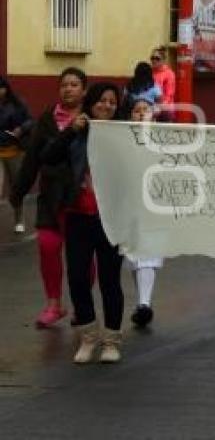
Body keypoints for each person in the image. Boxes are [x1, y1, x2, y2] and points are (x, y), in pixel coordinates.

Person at [41, 82, 124, 363]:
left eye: (112, 102)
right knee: (78, 278)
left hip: (112, 220)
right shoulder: (78, 132)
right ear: (91, 102)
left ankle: (111, 340)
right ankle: (88, 337)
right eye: (101, 101)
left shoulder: (124, 135)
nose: (106, 106)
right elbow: (48, 157)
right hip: (78, 218)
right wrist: (69, 133)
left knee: (110, 281)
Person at [12, 68, 87, 328]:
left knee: (83, 258)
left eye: (74, 84)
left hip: (81, 196)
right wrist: (19, 191)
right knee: (47, 246)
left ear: (84, 90)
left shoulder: (94, 118)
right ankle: (54, 304)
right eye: (64, 84)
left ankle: (82, 306)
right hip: (51, 196)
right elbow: (33, 157)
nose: (68, 89)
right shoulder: (46, 120)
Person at [121, 99, 165, 328]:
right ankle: (142, 303)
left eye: (145, 111)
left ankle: (145, 303)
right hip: (128, 205)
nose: (140, 115)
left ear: (153, 116)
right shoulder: (122, 140)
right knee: (134, 256)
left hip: (153, 205)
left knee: (148, 253)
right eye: (136, 111)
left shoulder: (163, 140)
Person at [0, 77, 33, 233]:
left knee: (16, 187)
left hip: (14, 151)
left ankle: (19, 219)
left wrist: (20, 129)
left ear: (6, 89)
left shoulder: (17, 103)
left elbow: (30, 121)